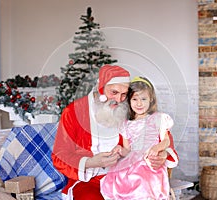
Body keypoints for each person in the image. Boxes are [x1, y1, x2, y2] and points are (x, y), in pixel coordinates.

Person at [51, 65, 167, 200]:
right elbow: (59, 156)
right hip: (90, 180)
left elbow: (160, 135)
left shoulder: (131, 108)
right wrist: (90, 162)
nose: (119, 99)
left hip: (128, 176)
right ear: (100, 87)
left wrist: (162, 155)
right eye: (114, 92)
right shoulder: (73, 112)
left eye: (124, 94)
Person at [100, 76, 179, 200]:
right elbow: (127, 150)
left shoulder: (159, 118)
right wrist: (120, 149)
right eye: (135, 99)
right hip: (132, 159)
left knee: (142, 178)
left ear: (151, 99)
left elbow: (166, 140)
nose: (139, 103)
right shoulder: (126, 124)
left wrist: (157, 147)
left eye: (143, 99)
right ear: (129, 101)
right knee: (119, 176)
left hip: (149, 160)